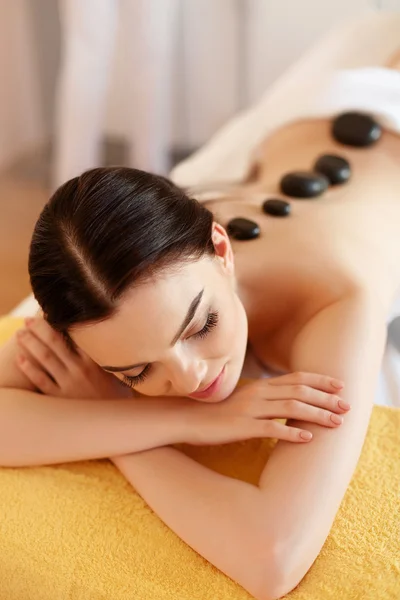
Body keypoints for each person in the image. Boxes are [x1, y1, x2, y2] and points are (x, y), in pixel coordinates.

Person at [1, 54, 399, 600]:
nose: (189, 381)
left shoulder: (340, 304)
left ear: (220, 248)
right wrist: (160, 423)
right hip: (317, 143)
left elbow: (273, 558)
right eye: (136, 371)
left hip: (340, 112)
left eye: (201, 324)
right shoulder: (109, 283)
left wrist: (118, 411)